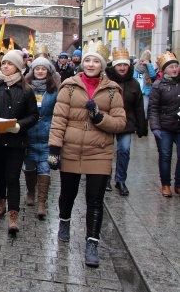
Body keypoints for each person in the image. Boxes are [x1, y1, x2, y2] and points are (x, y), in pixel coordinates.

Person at [48, 40, 126, 267]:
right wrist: (54, 148)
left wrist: (100, 118)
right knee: (67, 193)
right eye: (88, 60)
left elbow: (120, 123)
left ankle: (92, 242)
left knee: (95, 199)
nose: (91, 64)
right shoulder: (69, 86)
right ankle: (64, 221)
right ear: (82, 63)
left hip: (99, 151)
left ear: (102, 65)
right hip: (72, 149)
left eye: (96, 61)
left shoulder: (112, 91)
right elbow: (59, 119)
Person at [0, 49, 39, 235]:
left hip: (16, 142)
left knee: (12, 178)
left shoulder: (26, 90)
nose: (5, 66)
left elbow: (34, 115)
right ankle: (0, 204)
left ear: (18, 67)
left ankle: (13, 215)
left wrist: (20, 126)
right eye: (4, 63)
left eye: (10, 63)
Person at [104, 49, 147, 196]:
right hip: (108, 122)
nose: (122, 68)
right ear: (114, 66)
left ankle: (121, 180)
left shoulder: (134, 84)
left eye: (125, 65)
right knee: (107, 151)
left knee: (124, 150)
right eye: (119, 65)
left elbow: (139, 107)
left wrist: (142, 126)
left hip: (127, 123)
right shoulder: (107, 81)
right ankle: (106, 179)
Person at [24, 57, 59, 219]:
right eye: (37, 69)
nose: (40, 71)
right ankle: (31, 191)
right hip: (29, 134)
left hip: (47, 134)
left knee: (45, 168)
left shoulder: (54, 91)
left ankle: (42, 202)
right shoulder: (26, 88)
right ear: (33, 71)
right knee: (30, 167)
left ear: (48, 71)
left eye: (43, 69)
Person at [148, 51, 180, 198]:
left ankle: (178, 184)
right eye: (171, 67)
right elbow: (153, 108)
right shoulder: (158, 85)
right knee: (165, 156)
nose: (174, 69)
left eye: (176, 66)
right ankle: (165, 184)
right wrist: (155, 127)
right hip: (165, 127)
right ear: (164, 70)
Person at [133, 50, 157, 117]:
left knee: (144, 109)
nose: (142, 62)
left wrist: (148, 65)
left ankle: (144, 121)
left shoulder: (149, 68)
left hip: (145, 93)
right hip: (137, 92)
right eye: (141, 61)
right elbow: (134, 78)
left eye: (144, 61)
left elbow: (153, 75)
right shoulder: (136, 68)